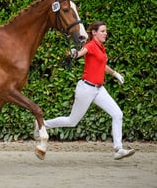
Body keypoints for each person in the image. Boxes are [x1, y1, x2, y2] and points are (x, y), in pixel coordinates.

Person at [35, 20, 135, 160]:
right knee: (72, 121)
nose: (105, 33)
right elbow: (80, 53)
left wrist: (115, 74)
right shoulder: (91, 45)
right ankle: (43, 124)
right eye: (102, 31)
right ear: (94, 33)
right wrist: (73, 53)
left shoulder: (100, 47)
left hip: (99, 90)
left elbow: (102, 65)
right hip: (86, 89)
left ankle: (118, 149)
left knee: (117, 114)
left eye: (105, 31)